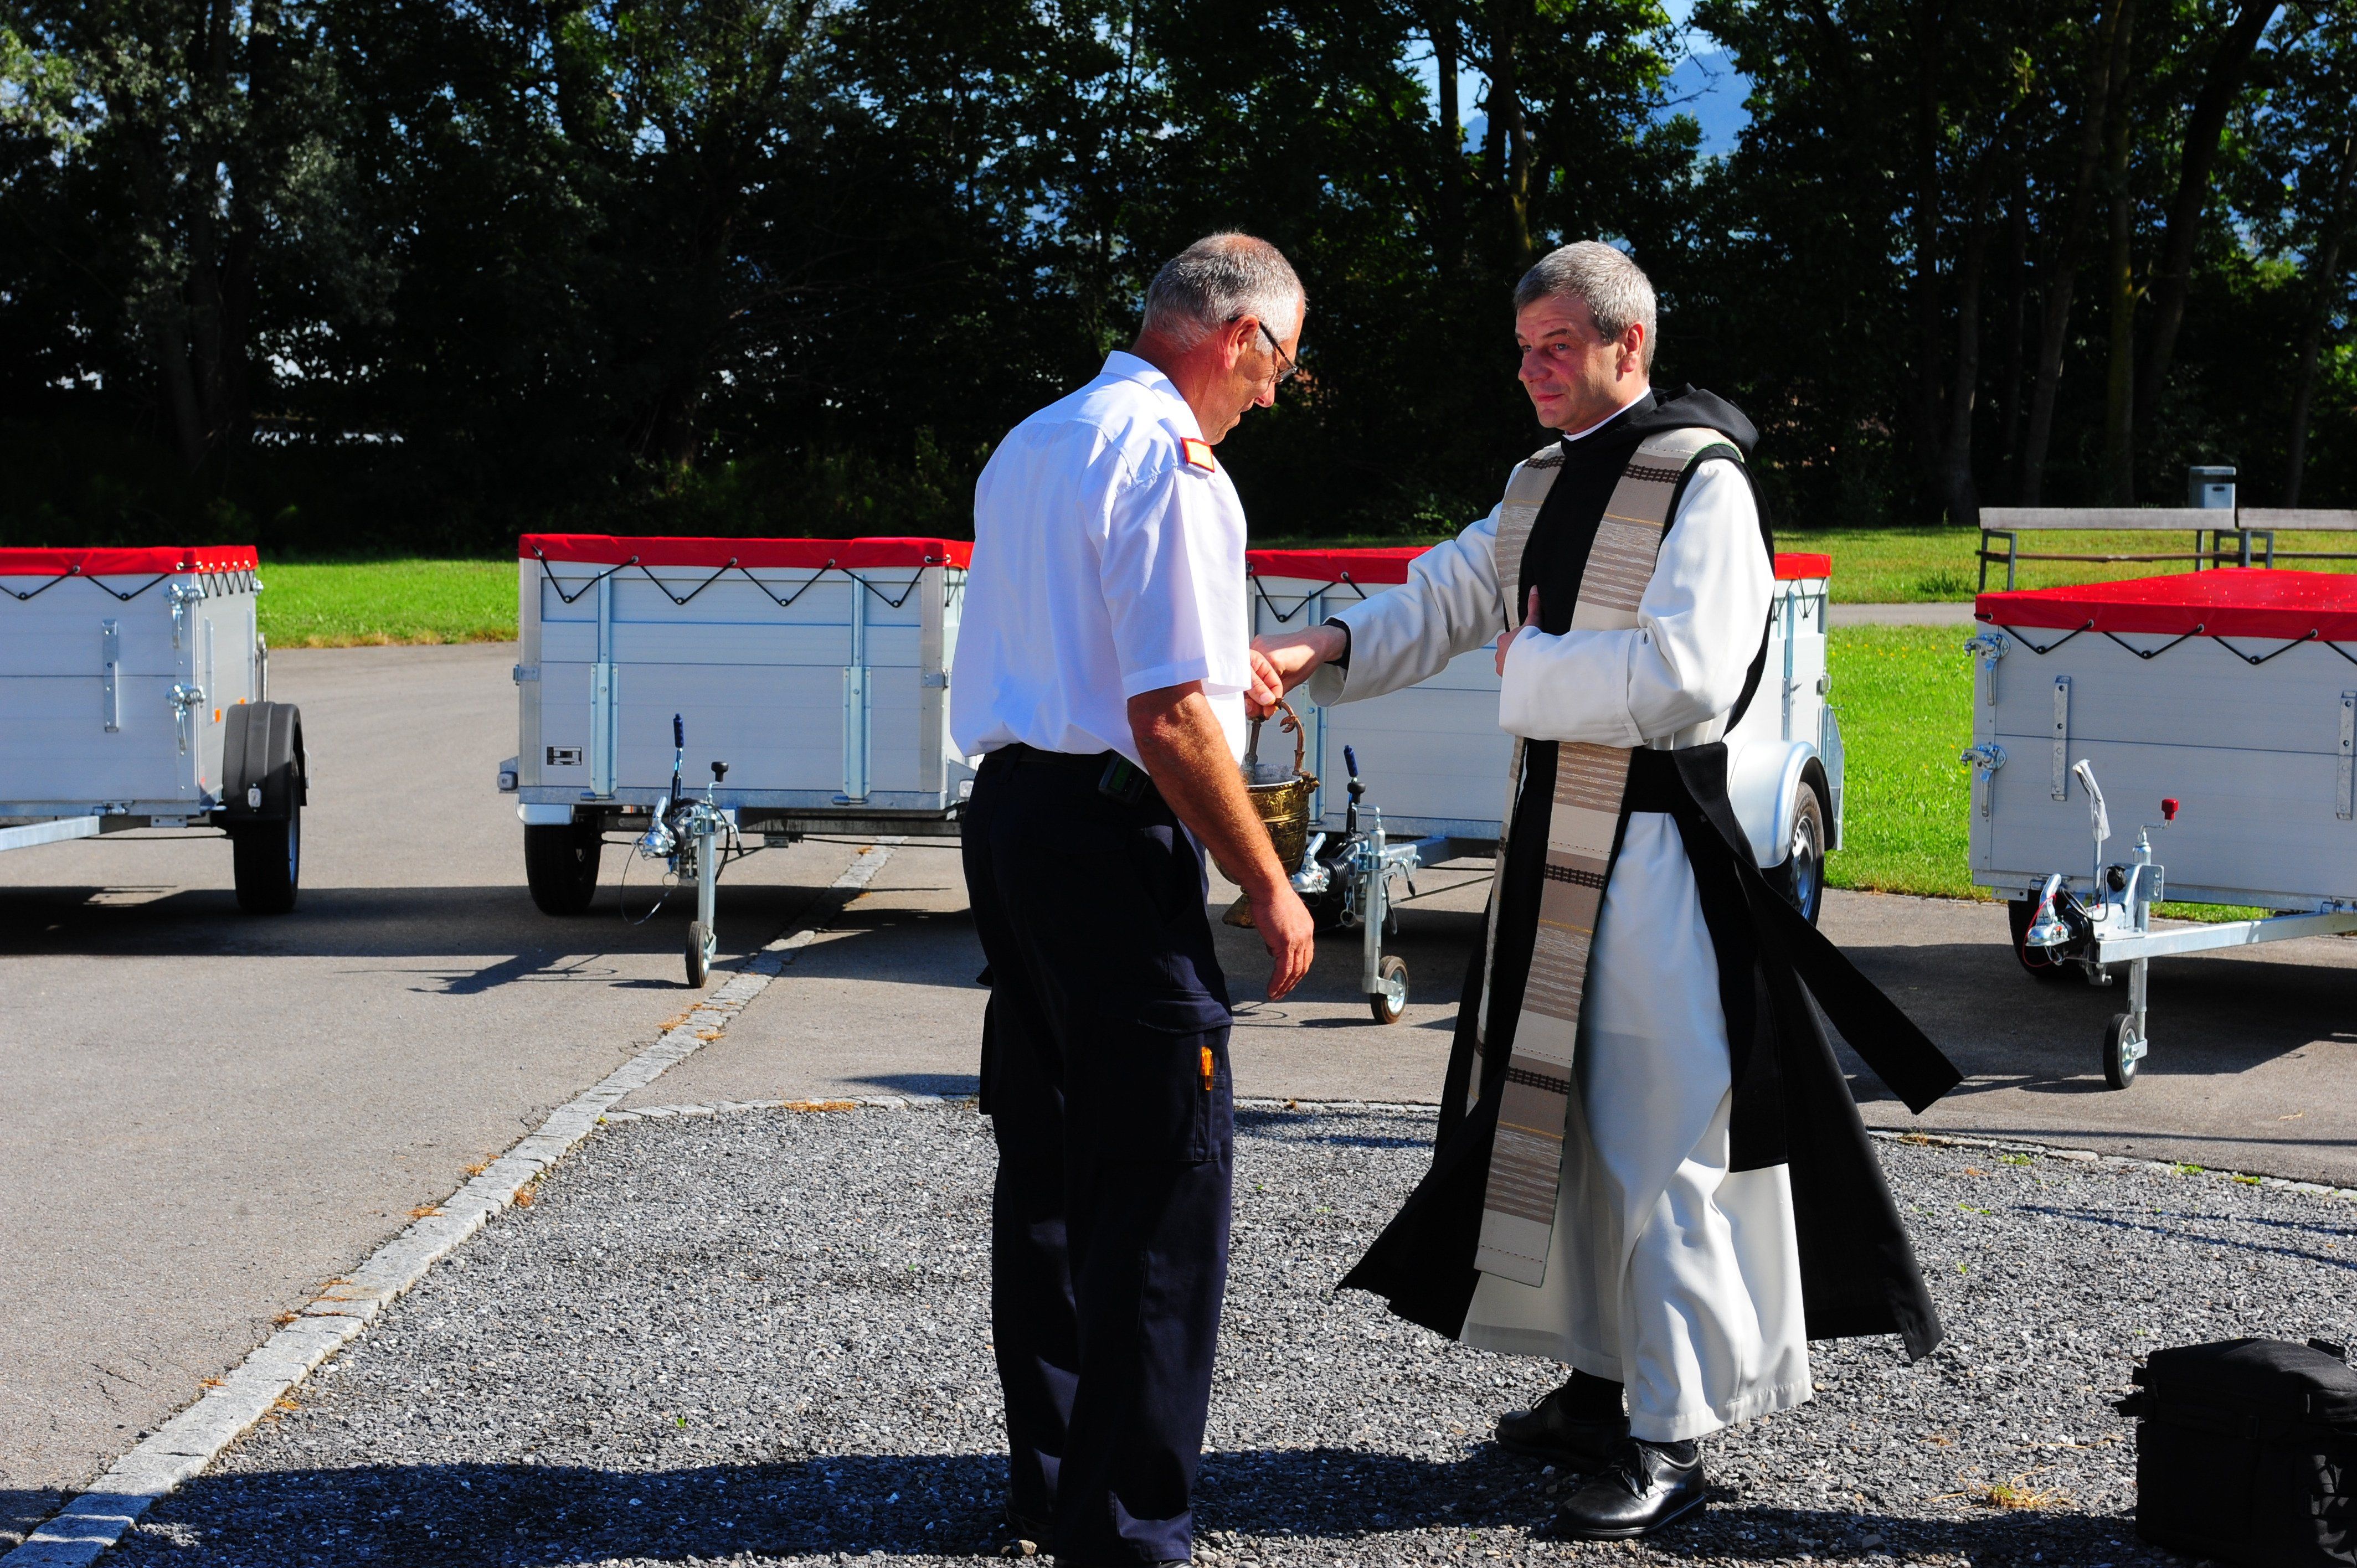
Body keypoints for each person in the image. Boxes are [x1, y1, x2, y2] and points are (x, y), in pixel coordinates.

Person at [1250, 241, 1960, 1541]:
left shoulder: (1701, 482)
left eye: (1557, 348)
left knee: (1663, 1141)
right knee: (1567, 1131)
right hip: (1558, 860)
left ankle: (1671, 1434)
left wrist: (1529, 672)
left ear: (1629, 345)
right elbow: (1449, 595)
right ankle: (1599, 1386)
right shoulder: (1541, 476)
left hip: (1657, 867)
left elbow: (1688, 676)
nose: (1532, 371)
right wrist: (1317, 647)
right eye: (1523, 350)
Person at [950, 232, 1316, 1566]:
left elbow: (1100, 659)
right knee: (1162, 1186)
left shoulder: (1036, 440)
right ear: (1239, 336)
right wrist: (1267, 881)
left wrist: (1223, 676)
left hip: (1015, 818)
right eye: (1280, 364)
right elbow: (1163, 717)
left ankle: (1055, 1482)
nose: (1273, 394)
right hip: (1111, 839)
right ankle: (1128, 1532)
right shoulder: (1174, 464)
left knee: (1049, 1168)